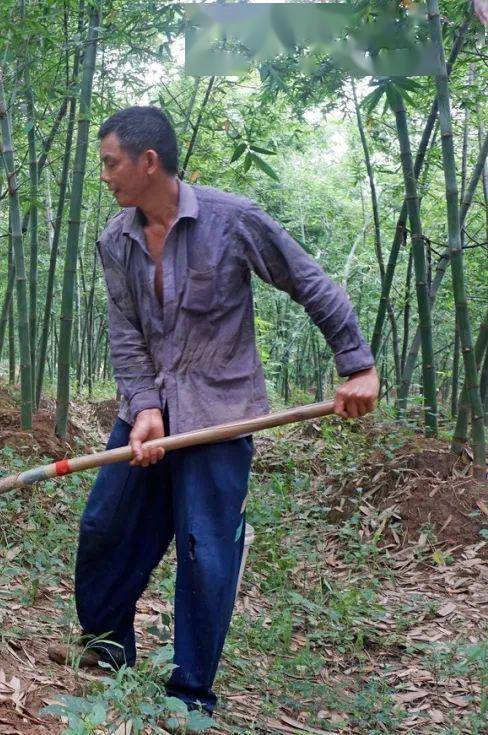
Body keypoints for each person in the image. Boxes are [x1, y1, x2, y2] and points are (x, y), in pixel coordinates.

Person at [47, 107, 379, 720]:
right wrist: (145, 407)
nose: (105, 176)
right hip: (149, 411)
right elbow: (125, 335)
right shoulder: (114, 239)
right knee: (106, 526)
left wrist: (356, 365)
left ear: (149, 162)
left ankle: (189, 693)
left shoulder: (232, 220)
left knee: (205, 548)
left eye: (110, 163)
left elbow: (311, 283)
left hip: (221, 414)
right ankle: (106, 649)